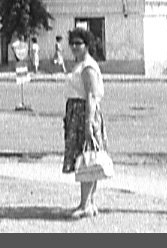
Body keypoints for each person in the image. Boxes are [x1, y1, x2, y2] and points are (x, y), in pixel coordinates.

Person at [62, 28, 108, 219]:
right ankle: (89, 203)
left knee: (87, 158)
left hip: (84, 114)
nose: (74, 47)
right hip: (77, 113)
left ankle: (85, 204)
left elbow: (90, 96)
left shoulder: (88, 66)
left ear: (87, 45)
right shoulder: (80, 64)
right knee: (86, 158)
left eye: (78, 43)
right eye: (72, 43)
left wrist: (88, 123)